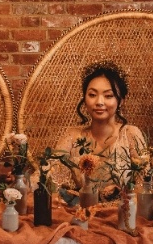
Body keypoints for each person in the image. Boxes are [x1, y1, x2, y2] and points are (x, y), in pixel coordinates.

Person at [55, 61, 145, 197]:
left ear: (120, 101)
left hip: (124, 210)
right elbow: (49, 172)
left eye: (108, 96)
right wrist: (21, 181)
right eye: (92, 95)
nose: (99, 102)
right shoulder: (72, 135)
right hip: (82, 210)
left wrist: (122, 193)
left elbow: (143, 184)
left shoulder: (130, 134)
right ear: (85, 99)